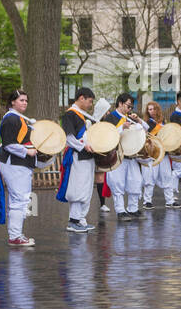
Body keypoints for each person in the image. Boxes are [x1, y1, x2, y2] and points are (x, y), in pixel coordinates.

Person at [0, 89, 39, 247]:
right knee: (20, 199)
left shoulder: (18, 118)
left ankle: (16, 234)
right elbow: (9, 144)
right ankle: (15, 236)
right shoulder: (11, 119)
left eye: (26, 100)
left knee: (19, 199)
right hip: (14, 162)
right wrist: (28, 151)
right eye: (21, 100)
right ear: (12, 102)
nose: (25, 103)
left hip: (18, 163)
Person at [57, 87, 97, 232]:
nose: (90, 104)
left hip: (88, 156)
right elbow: (69, 138)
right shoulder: (70, 114)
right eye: (89, 101)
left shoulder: (83, 115)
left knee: (86, 188)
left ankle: (81, 219)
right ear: (81, 98)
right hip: (78, 156)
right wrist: (83, 146)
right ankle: (73, 221)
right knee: (78, 188)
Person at [104, 93, 147, 218]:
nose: (129, 109)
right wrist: (121, 127)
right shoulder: (110, 118)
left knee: (136, 181)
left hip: (132, 156)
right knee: (117, 183)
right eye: (128, 106)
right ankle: (120, 210)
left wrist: (138, 120)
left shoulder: (130, 118)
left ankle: (133, 208)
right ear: (120, 103)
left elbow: (146, 129)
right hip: (117, 155)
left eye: (131, 107)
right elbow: (107, 136)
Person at [139, 101, 174, 209]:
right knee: (150, 178)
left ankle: (170, 200)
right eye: (149, 109)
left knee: (167, 176)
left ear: (157, 110)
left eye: (153, 109)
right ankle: (147, 201)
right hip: (152, 153)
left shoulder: (163, 121)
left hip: (164, 153)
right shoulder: (146, 123)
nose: (152, 111)